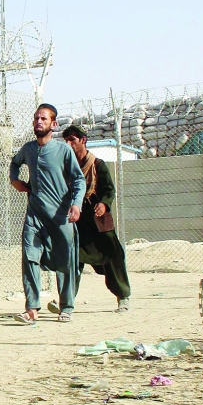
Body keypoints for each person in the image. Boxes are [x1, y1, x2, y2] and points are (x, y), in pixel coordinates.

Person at [10, 104, 86, 324]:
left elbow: (79, 180)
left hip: (60, 216)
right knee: (30, 256)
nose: (38, 122)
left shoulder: (63, 151)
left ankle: (66, 306)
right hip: (35, 215)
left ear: (53, 124)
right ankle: (32, 308)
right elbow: (15, 163)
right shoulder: (28, 149)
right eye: (35, 119)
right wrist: (15, 180)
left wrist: (76, 205)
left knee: (65, 260)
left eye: (43, 119)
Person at [61, 124, 132, 311]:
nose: (69, 144)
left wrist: (104, 204)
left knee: (112, 256)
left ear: (83, 140)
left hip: (98, 220)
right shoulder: (66, 167)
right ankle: (66, 302)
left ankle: (123, 295)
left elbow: (109, 190)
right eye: (66, 141)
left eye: (72, 140)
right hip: (77, 222)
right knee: (74, 260)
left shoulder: (97, 165)